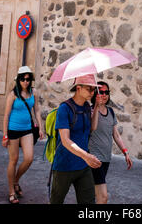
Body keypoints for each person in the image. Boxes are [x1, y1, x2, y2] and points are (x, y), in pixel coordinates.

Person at [50, 74, 101, 205]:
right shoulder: (64, 109)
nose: (92, 92)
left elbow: (92, 128)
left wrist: (96, 106)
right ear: (78, 88)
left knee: (89, 201)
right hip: (64, 166)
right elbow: (65, 140)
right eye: (89, 89)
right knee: (56, 201)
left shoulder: (86, 107)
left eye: (94, 89)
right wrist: (87, 156)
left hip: (83, 166)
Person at [2, 66, 43, 204]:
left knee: (29, 158)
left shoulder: (34, 92)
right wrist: (5, 135)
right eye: (23, 79)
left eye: (28, 79)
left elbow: (37, 110)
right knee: (13, 160)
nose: (26, 82)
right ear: (19, 80)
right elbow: (6, 115)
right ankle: (11, 191)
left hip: (27, 130)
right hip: (13, 130)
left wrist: (41, 127)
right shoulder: (13, 94)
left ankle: (16, 180)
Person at [89, 81, 133, 204]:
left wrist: (125, 152)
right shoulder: (91, 111)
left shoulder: (111, 112)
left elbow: (116, 135)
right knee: (103, 197)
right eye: (100, 92)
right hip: (94, 158)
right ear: (95, 94)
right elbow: (92, 127)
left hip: (106, 158)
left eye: (106, 92)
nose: (104, 95)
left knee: (93, 193)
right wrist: (97, 106)